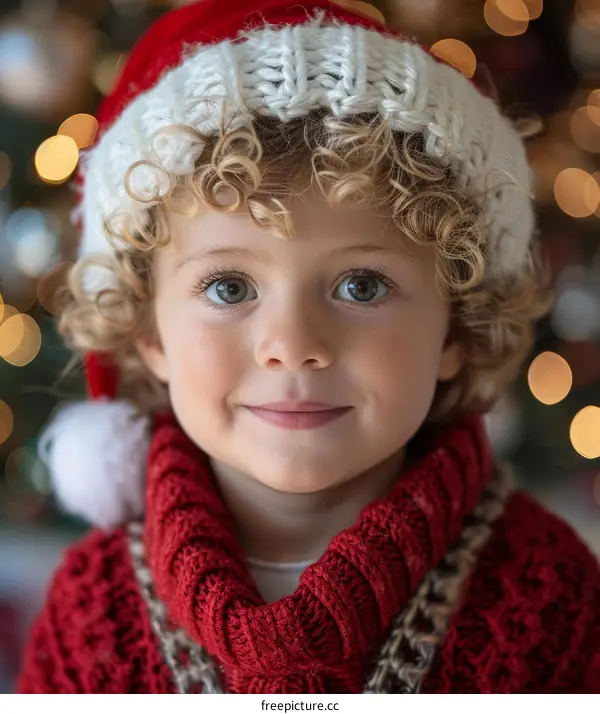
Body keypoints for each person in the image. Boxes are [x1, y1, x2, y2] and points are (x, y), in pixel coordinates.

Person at [17, 0, 600, 694]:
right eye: (230, 288)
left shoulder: (548, 592)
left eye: (361, 285)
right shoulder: (93, 608)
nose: (293, 347)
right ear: (149, 333)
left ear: (456, 325)